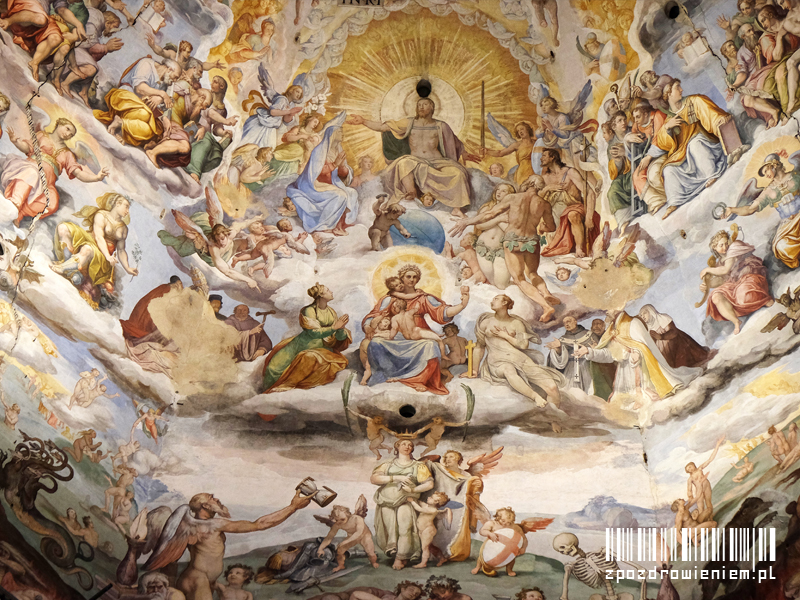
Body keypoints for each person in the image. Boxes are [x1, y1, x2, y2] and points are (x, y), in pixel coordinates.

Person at [143, 491, 312, 600]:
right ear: (205, 506)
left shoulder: (198, 525)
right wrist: (293, 507)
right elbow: (259, 524)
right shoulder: (212, 525)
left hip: (204, 580)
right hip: (197, 579)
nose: (216, 499)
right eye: (211, 497)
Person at [347, 98, 481, 217]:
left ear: (432, 108)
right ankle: (411, 191)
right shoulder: (409, 123)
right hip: (415, 160)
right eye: (419, 105)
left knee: (458, 173)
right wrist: (363, 121)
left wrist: (463, 153)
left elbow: (455, 142)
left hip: (438, 161)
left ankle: (456, 209)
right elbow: (383, 127)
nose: (421, 107)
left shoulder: (440, 126)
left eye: (425, 104)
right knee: (403, 162)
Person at [450, 176, 560, 322]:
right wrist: (542, 227)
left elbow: (489, 214)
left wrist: (468, 221)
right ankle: (545, 293)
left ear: (526, 183)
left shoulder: (513, 198)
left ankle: (546, 306)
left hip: (513, 241)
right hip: (531, 241)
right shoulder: (544, 204)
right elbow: (551, 227)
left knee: (519, 279)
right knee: (532, 273)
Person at [361, 264, 469, 394]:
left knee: (431, 345)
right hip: (397, 335)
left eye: (415, 277)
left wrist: (462, 305)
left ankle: (420, 380)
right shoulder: (390, 299)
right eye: (408, 276)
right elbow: (375, 314)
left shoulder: (423, 298)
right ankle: (386, 374)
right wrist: (367, 326)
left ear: (418, 279)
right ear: (401, 278)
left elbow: (443, 311)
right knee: (375, 342)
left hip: (418, 334)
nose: (412, 279)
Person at [638, 80, 731, 219]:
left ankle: (711, 174)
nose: (681, 90)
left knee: (694, 144)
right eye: (677, 88)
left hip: (706, 144)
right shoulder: (669, 119)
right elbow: (663, 144)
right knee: (668, 169)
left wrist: (719, 120)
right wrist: (667, 128)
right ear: (668, 93)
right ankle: (674, 202)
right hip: (684, 155)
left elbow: (711, 114)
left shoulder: (694, 101)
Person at [575, 310, 702, 406]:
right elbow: (609, 355)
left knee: (648, 403)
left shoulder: (633, 323)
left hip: (642, 374)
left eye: (608, 308)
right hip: (623, 376)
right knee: (621, 406)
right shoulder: (612, 329)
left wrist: (636, 352)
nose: (606, 311)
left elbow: (645, 348)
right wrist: (589, 351)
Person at [465, 295, 566, 413]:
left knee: (552, 387)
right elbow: (479, 347)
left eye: (496, 299)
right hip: (498, 361)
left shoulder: (517, 323)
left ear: (505, 303)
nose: (492, 301)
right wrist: (475, 369)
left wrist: (506, 336)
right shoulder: (486, 322)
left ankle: (554, 417)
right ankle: (535, 396)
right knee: (509, 370)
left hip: (520, 359)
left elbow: (523, 345)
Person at [1, 118, 108, 226]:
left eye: (71, 135)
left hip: (47, 183)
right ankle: (14, 204)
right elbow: (28, 148)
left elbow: (78, 173)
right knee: (31, 174)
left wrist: (96, 178)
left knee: (52, 202)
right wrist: (16, 141)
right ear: (59, 124)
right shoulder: (42, 135)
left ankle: (20, 214)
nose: (68, 134)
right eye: (67, 129)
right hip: (31, 167)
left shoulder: (67, 154)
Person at [93, 56, 187, 168]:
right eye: (175, 77)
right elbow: (140, 88)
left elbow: (159, 106)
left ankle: (122, 125)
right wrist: (162, 94)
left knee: (150, 130)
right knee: (145, 114)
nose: (174, 81)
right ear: (169, 69)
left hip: (143, 110)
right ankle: (122, 128)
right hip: (125, 99)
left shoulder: (164, 83)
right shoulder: (147, 64)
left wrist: (163, 113)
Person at [261, 283, 351, 392]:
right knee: (274, 368)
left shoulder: (331, 312)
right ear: (321, 295)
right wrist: (334, 327)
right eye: (328, 290)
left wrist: (341, 329)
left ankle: (287, 385)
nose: (331, 292)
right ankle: (266, 393)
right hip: (301, 344)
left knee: (306, 361)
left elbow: (338, 337)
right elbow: (314, 333)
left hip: (320, 347)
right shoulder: (309, 310)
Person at [51, 192, 138, 297]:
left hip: (103, 258)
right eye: (126, 207)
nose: (127, 211)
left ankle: (63, 268)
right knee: (63, 228)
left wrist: (127, 268)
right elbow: (98, 237)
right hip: (91, 242)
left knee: (87, 249)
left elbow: (121, 250)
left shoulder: (123, 229)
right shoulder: (101, 215)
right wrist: (108, 256)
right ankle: (67, 264)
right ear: (118, 204)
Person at [287, 112, 359, 237]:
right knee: (340, 195)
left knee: (352, 193)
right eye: (340, 132)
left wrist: (342, 167)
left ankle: (342, 223)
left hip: (332, 183)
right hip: (313, 185)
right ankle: (326, 225)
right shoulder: (319, 151)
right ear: (333, 134)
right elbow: (317, 171)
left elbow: (341, 174)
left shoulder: (337, 150)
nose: (342, 135)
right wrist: (335, 164)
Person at [725, 153, 800, 269]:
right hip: (788, 225)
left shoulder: (795, 176)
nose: (766, 175)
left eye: (766, 171)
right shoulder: (768, 191)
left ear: (774, 165)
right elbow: (750, 209)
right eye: (764, 174)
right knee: (781, 247)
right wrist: (732, 209)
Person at [370, 439, 434, 570]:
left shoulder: (418, 466)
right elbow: (374, 479)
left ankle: (400, 558)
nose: (407, 446)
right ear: (397, 447)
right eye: (404, 444)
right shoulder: (387, 464)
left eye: (410, 445)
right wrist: (396, 477)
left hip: (406, 499)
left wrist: (413, 490)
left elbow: (429, 483)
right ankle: (397, 553)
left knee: (405, 528)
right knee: (390, 529)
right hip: (386, 501)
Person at [700, 229, 773, 335]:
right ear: (715, 248)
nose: (725, 247)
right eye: (721, 245)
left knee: (743, 295)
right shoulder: (720, 263)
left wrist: (707, 270)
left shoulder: (734, 248)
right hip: (735, 284)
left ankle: (763, 300)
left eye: (726, 243)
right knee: (715, 296)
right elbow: (722, 279)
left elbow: (725, 270)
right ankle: (736, 321)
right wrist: (707, 285)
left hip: (749, 275)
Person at [538, 148, 599, 258]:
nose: (541, 158)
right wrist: (547, 188)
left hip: (574, 207)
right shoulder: (545, 178)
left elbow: (590, 193)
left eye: (544, 156)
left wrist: (589, 217)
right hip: (555, 212)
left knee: (573, 215)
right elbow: (536, 198)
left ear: (553, 157)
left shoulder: (570, 173)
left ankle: (579, 248)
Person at [119, 276, 183, 376]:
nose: (182, 288)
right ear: (177, 284)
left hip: (149, 317)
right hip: (147, 320)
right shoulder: (168, 290)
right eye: (181, 285)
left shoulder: (165, 288)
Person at [637, 305, 710, 368]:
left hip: (677, 343)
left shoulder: (662, 318)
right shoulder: (648, 328)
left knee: (684, 362)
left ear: (651, 311)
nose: (643, 316)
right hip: (663, 351)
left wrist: (661, 337)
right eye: (641, 315)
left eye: (644, 313)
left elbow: (674, 332)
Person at [545, 316, 597, 394]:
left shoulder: (590, 335)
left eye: (568, 321)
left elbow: (599, 351)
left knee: (590, 392)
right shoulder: (563, 339)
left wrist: (595, 349)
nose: (566, 324)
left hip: (587, 366)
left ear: (575, 321)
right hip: (570, 369)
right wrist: (558, 349)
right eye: (564, 323)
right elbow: (559, 359)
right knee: (570, 394)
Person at [481, 121, 536, 188]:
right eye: (518, 131)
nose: (520, 132)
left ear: (528, 129)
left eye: (522, 129)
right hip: (523, 173)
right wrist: (487, 151)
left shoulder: (537, 143)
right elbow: (500, 153)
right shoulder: (517, 145)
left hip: (536, 171)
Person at [406, 492, 450, 568]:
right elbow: (419, 502)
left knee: (425, 547)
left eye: (432, 498)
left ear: (436, 502)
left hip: (428, 530)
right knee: (429, 547)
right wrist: (414, 498)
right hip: (422, 529)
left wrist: (412, 501)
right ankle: (442, 558)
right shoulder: (426, 505)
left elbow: (419, 509)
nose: (429, 497)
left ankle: (423, 563)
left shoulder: (433, 510)